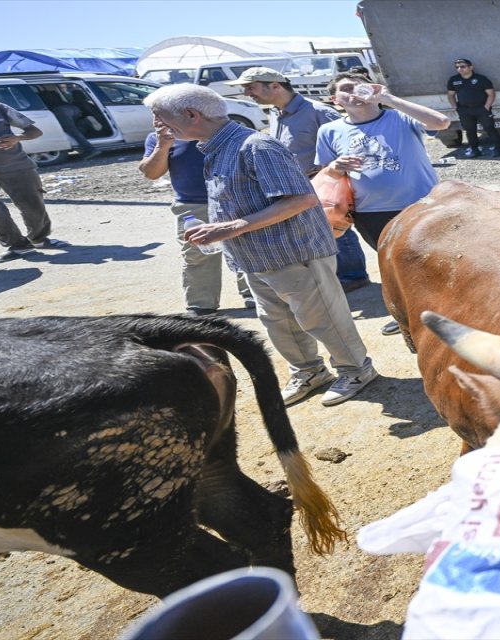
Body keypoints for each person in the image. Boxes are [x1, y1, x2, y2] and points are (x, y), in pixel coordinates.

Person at [143, 84, 377, 407]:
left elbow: (301, 199)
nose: (158, 126)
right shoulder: (211, 147)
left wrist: (231, 226)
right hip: (255, 256)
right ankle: (309, 371)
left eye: (162, 117)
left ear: (192, 115)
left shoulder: (255, 146)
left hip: (292, 252)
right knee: (278, 321)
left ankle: (357, 370)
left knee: (321, 317)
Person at [316, 72, 451, 335]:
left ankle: (449, 310)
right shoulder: (329, 131)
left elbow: (441, 122)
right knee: (395, 267)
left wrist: (388, 98)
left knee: (436, 259)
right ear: (335, 99)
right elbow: (326, 173)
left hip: (421, 204)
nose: (355, 91)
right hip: (370, 212)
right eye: (346, 89)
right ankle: (407, 317)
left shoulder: (399, 116)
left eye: (360, 86)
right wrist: (335, 167)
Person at [226, 66, 371, 294]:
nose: (247, 93)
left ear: (274, 85)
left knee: (334, 226)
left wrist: (332, 177)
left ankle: (354, 275)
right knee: (320, 228)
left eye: (251, 87)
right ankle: (340, 274)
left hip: (325, 183)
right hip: (300, 185)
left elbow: (348, 142)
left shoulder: (318, 111)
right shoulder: (276, 114)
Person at [139, 123, 254, 316]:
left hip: (234, 200)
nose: (157, 119)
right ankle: (201, 304)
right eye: (154, 114)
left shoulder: (223, 130)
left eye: (161, 113)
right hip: (192, 206)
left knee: (246, 246)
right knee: (196, 253)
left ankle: (253, 293)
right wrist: (162, 146)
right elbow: (151, 173)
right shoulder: (159, 138)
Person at [0, 100, 68, 262]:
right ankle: (18, 245)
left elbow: (35, 131)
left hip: (16, 166)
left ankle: (39, 239)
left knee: (32, 204)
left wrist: (17, 138)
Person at [448, 58, 500, 158]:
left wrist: (486, 107)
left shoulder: (481, 79)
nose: (460, 69)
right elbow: (450, 94)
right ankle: (475, 149)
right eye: (457, 67)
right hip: (464, 110)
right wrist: (455, 106)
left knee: (489, 128)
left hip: (481, 109)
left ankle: (498, 148)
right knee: (469, 130)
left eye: (463, 66)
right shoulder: (454, 80)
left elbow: (491, 94)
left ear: (471, 67)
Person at [45, 85, 100, 161]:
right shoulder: (54, 94)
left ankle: (90, 149)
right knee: (75, 129)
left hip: (59, 111)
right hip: (73, 108)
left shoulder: (41, 96)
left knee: (72, 131)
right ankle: (84, 122)